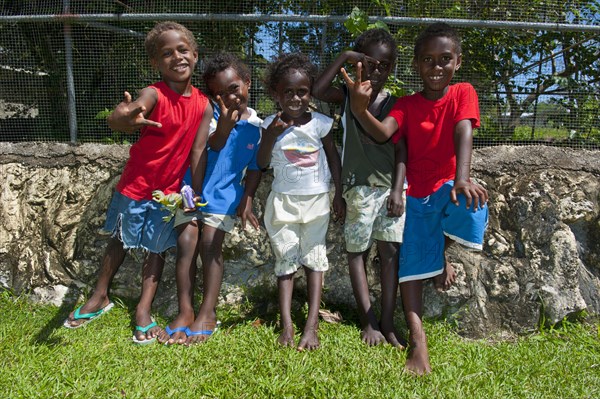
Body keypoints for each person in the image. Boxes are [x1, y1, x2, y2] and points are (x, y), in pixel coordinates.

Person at [341, 22, 489, 374]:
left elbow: (463, 129)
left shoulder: (463, 92)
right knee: (409, 269)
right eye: (427, 60)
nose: (436, 68)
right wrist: (361, 111)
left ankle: (440, 256)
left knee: (472, 203)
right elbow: (384, 134)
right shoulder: (406, 104)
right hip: (416, 194)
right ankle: (418, 342)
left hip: (448, 184)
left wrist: (462, 178)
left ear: (458, 62)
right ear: (416, 65)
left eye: (444, 59)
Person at [63, 21, 212, 346]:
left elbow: (198, 152)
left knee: (155, 249)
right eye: (167, 53)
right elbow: (125, 116)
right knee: (119, 241)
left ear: (195, 55)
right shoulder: (154, 93)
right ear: (156, 63)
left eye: (183, 50)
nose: (177, 57)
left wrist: (195, 195)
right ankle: (99, 295)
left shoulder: (204, 105)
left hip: (170, 192)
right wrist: (121, 118)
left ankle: (144, 310)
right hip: (136, 185)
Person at [156, 52, 263, 345]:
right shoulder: (209, 113)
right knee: (186, 244)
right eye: (219, 93)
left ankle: (207, 311)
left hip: (225, 197)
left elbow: (255, 167)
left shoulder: (257, 127)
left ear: (247, 84)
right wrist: (225, 126)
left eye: (233, 88)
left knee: (210, 244)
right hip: (193, 190)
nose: (229, 97)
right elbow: (208, 146)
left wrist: (248, 199)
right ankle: (185, 311)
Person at [312, 28, 406, 347]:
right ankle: (368, 321)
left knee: (390, 252)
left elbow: (394, 145)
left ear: (392, 68)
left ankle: (389, 322)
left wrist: (397, 189)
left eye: (385, 65)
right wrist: (346, 59)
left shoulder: (397, 104)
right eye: (370, 63)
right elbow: (317, 89)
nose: (377, 70)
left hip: (391, 190)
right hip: (358, 189)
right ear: (359, 64)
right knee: (357, 253)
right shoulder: (347, 94)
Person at [257, 53, 345, 351]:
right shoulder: (269, 123)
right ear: (276, 94)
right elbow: (261, 161)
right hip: (282, 202)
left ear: (310, 93)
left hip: (317, 202)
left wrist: (340, 194)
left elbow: (334, 160)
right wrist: (271, 135)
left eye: (302, 91)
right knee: (286, 260)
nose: (295, 98)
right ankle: (286, 325)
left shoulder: (321, 123)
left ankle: (312, 326)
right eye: (288, 92)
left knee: (315, 259)